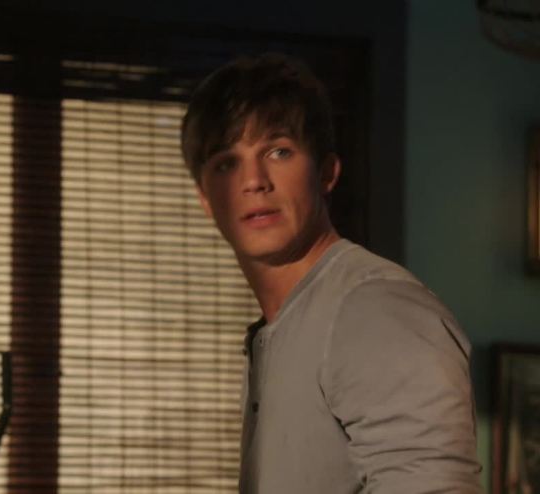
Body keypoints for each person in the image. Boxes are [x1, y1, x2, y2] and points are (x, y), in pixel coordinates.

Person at [180, 54, 482, 493]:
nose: (254, 180)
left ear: (326, 172)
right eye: (226, 162)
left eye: (278, 152)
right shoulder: (282, 330)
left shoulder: (375, 310)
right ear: (206, 199)